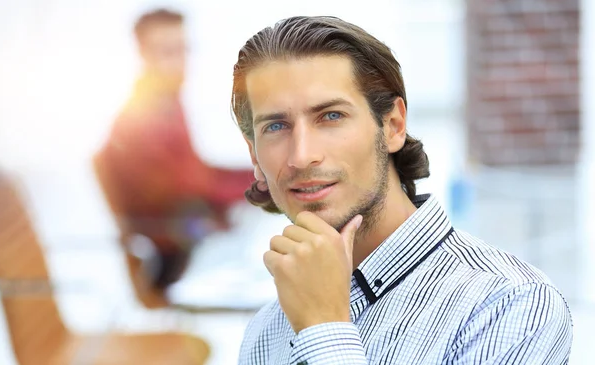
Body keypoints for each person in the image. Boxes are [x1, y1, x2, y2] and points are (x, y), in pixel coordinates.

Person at [231, 16, 573, 364]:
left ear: (393, 126)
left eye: (331, 116)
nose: (302, 156)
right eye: (276, 126)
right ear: (254, 154)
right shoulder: (267, 328)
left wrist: (324, 330)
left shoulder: (512, 306)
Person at [94, 9, 253, 292]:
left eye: (183, 50)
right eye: (167, 52)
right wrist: (260, 183)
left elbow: (195, 173)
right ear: (142, 54)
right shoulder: (142, 117)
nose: (180, 63)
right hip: (173, 257)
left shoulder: (167, 103)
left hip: (186, 236)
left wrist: (259, 172)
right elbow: (189, 188)